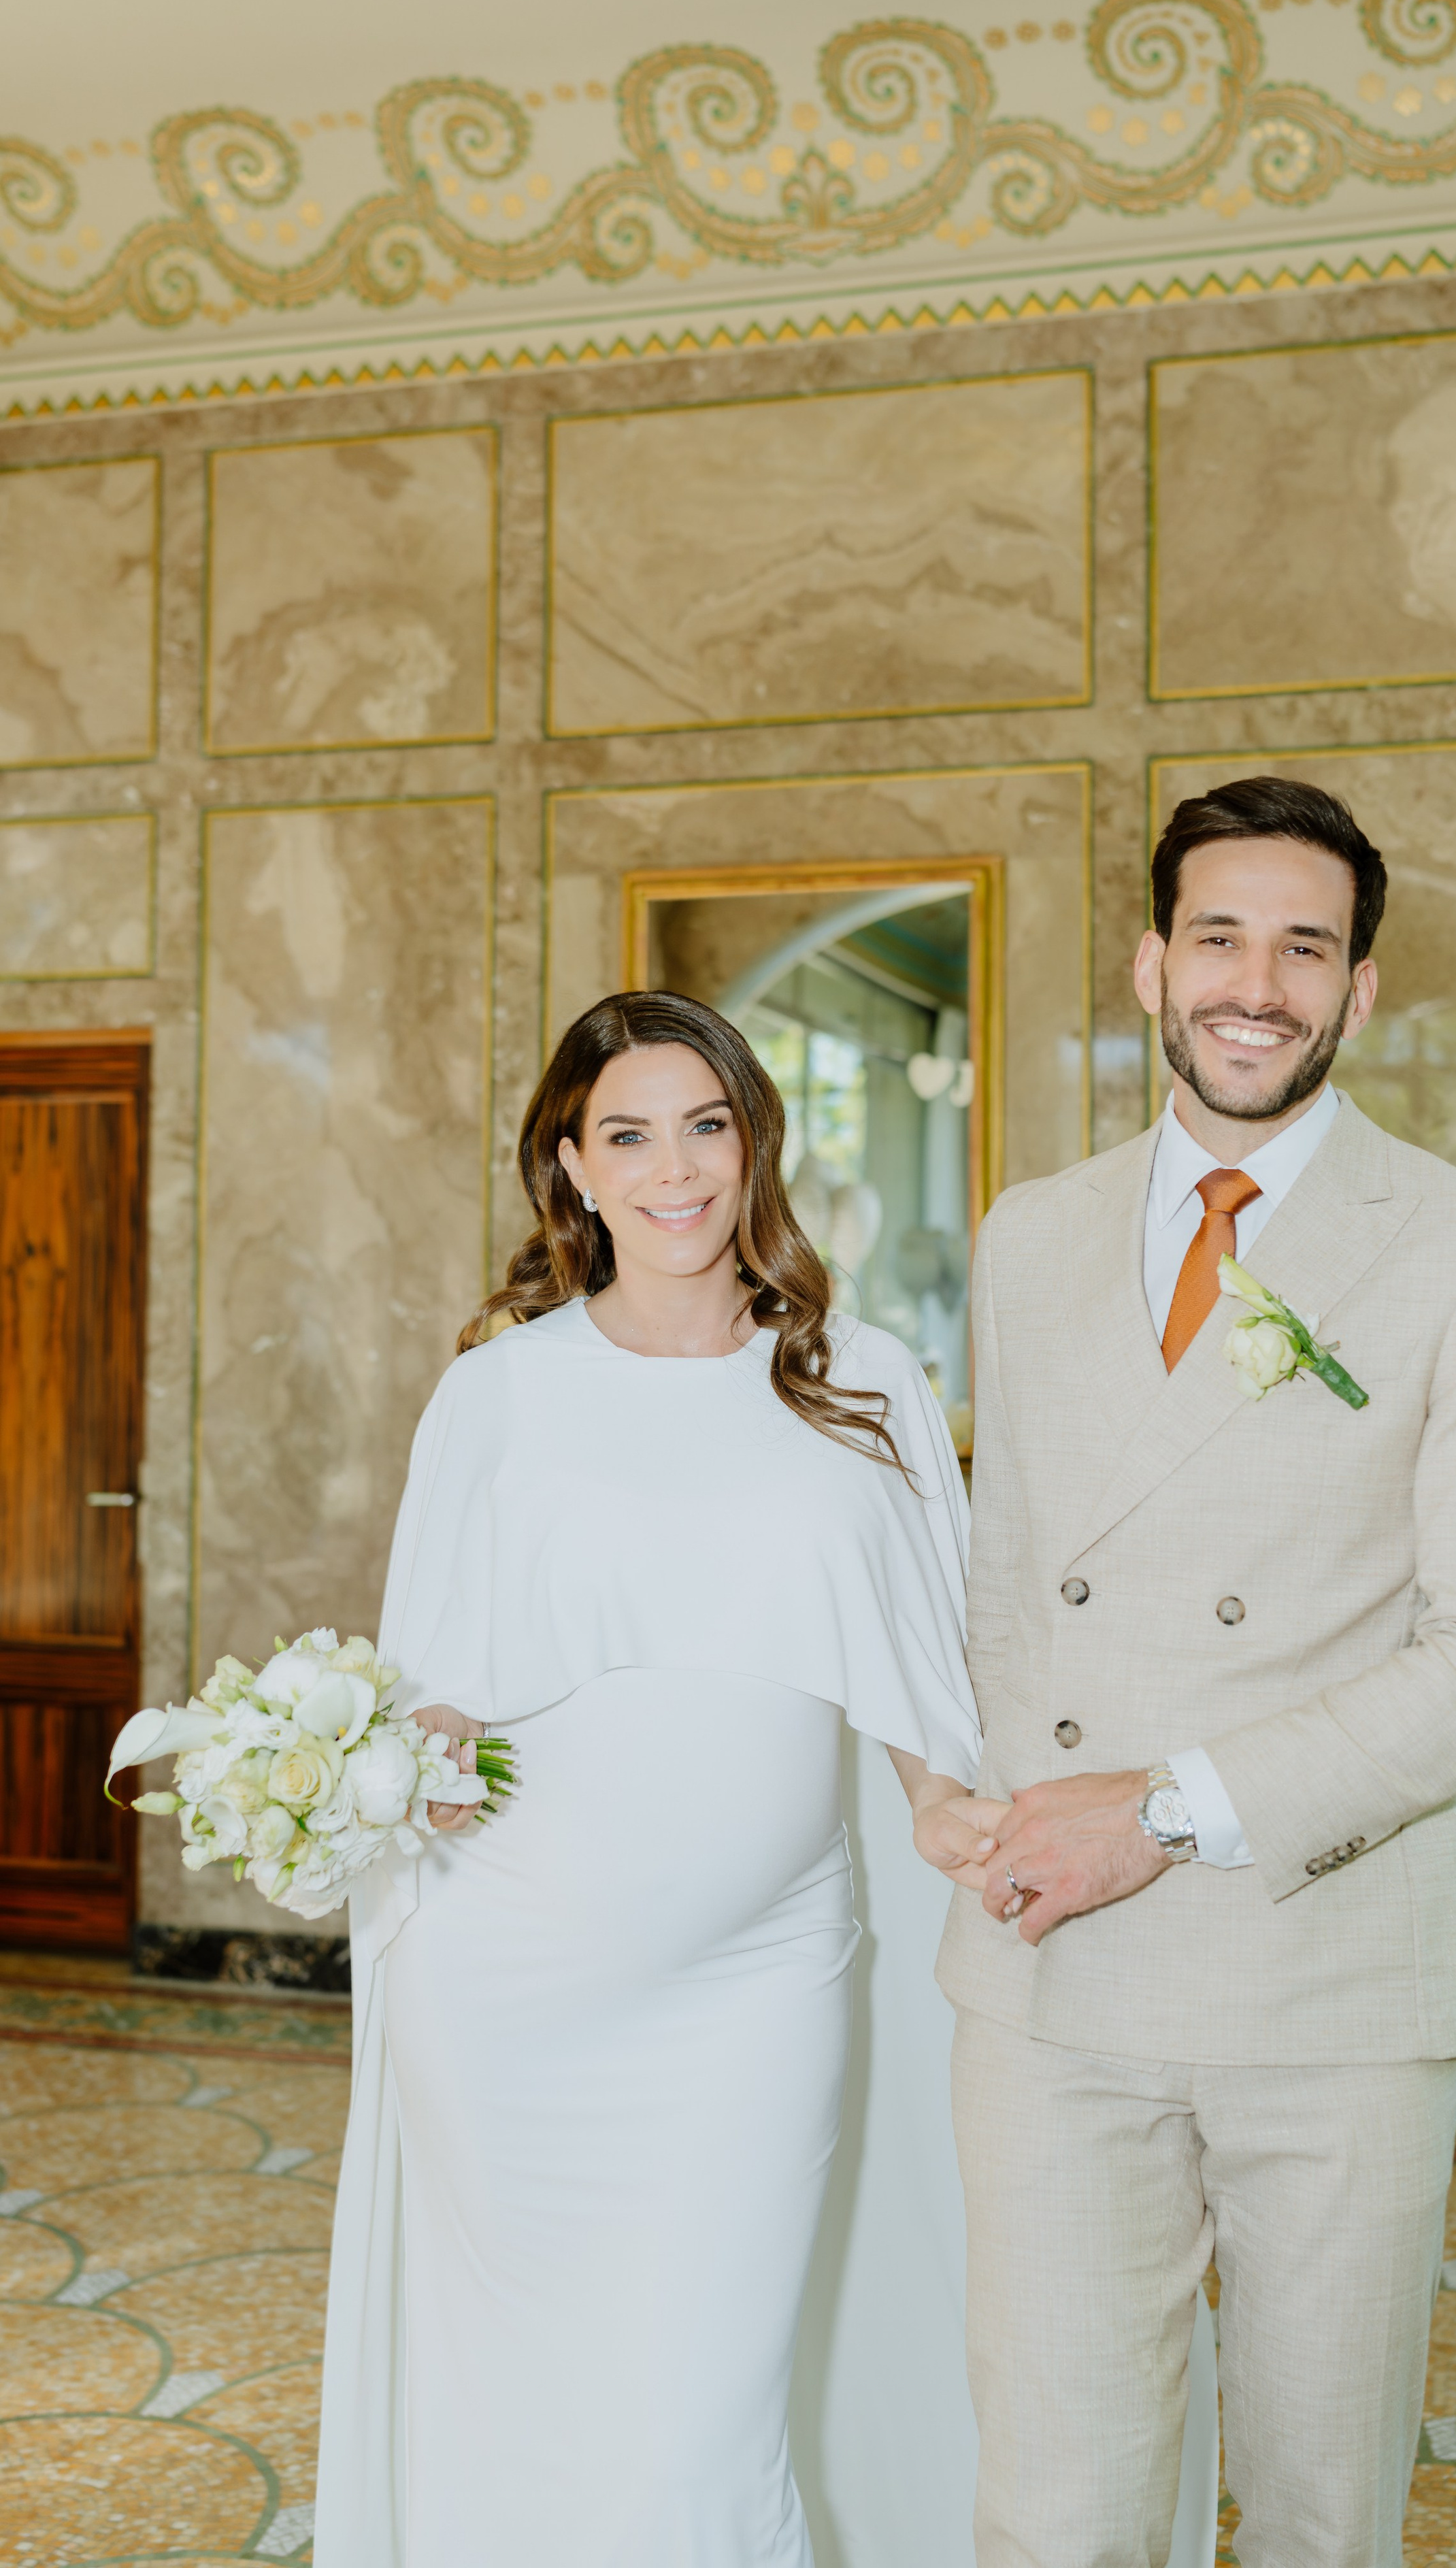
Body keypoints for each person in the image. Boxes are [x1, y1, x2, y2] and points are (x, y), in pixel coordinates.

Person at [940, 776, 1456, 2568]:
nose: (1257, 980)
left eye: (1306, 946)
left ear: (1362, 990)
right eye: (1218, 935)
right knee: (1054, 2511)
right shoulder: (1028, 1230)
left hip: (1328, 1979)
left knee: (1316, 2516)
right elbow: (1000, 1583)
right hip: (1047, 1980)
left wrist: (1159, 1813)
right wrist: (951, 1778)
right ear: (1152, 961)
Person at [313, 989, 998, 2568]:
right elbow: (426, 1689)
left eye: (706, 1123)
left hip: (753, 1991)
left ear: (754, 1140)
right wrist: (370, 1766)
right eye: (628, 1132)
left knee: (704, 2424)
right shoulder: (499, 1390)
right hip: (504, 1995)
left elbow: (916, 1667)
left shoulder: (861, 1376)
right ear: (572, 1162)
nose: (674, 1167)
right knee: (523, 2402)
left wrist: (951, 1806)